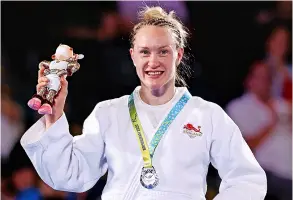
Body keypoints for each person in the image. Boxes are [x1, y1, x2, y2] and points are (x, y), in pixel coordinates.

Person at [21, 6, 267, 200]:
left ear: (178, 55)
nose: (153, 61)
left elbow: (247, 179)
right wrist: (54, 116)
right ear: (132, 56)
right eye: (145, 52)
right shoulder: (108, 113)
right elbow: (71, 175)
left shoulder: (207, 115)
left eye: (163, 51)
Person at [226, 61, 292, 200]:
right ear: (249, 80)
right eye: (260, 77)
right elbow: (247, 146)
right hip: (269, 177)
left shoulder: (280, 104)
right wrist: (272, 123)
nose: (265, 81)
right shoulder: (239, 107)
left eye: (267, 77)